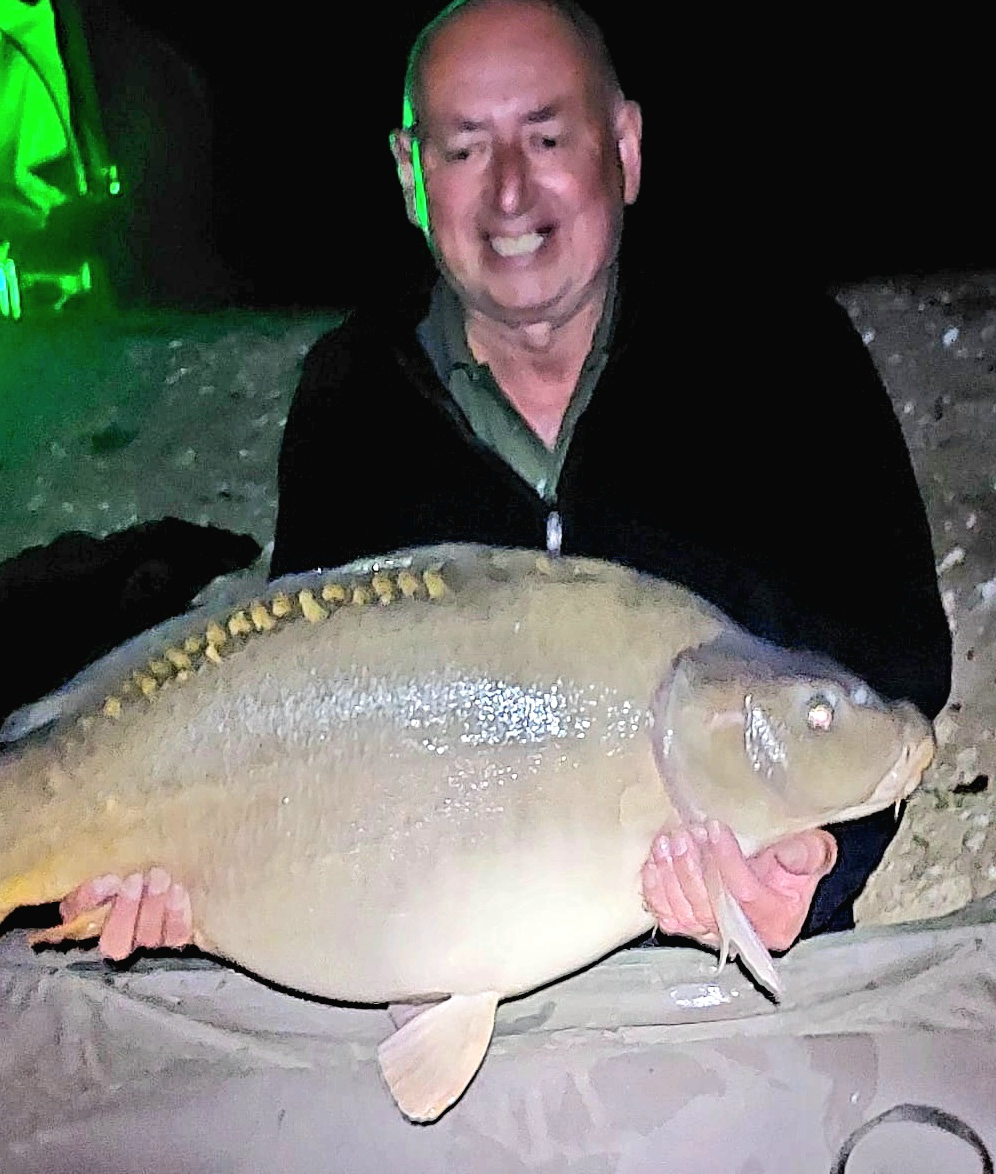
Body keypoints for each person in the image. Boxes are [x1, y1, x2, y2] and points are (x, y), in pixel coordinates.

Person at [66, 0, 951, 959]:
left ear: (625, 148)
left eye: (547, 137)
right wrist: (197, 884)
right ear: (410, 175)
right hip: (441, 961)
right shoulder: (353, 396)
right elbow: (305, 728)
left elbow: (886, 677)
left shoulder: (783, 353)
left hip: (718, 977)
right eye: (465, 150)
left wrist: (811, 873)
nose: (510, 192)